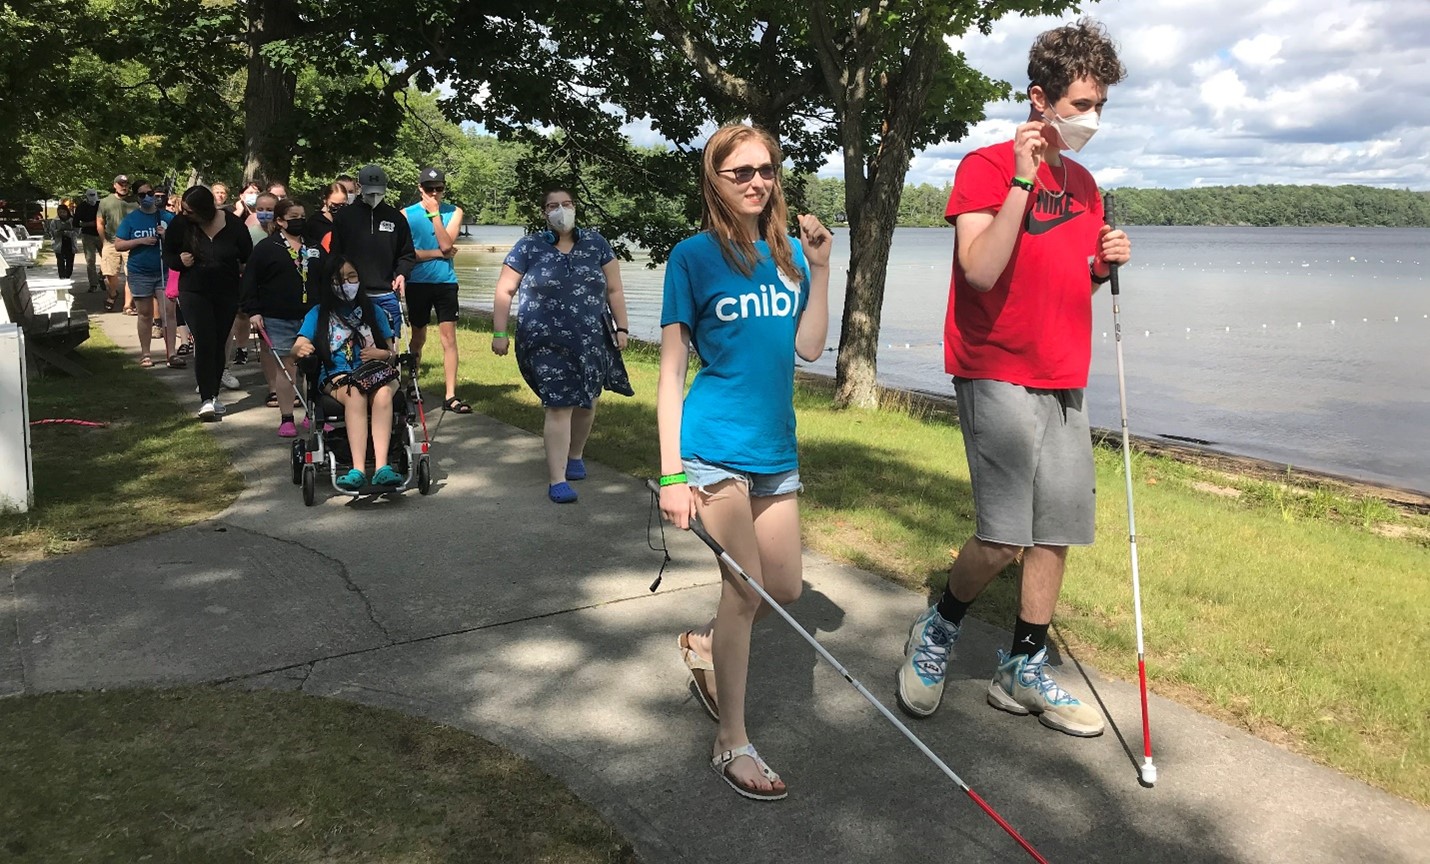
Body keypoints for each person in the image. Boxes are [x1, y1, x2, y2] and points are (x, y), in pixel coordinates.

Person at [894, 18, 1131, 739]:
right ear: (1042, 98)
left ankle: (1022, 668)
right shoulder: (986, 168)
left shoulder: (1087, 185)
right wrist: (1025, 179)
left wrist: (1102, 266)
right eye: (1082, 105)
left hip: (1064, 373)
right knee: (1002, 537)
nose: (1091, 120)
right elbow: (982, 270)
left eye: (1100, 107)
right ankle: (938, 629)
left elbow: (1060, 286)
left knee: (1055, 530)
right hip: (994, 366)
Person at [655, 123, 832, 800]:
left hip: (774, 452)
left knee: (783, 588)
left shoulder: (787, 255)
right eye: (741, 172)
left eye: (766, 170)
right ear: (716, 181)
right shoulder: (692, 257)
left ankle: (705, 644)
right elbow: (671, 373)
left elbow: (810, 348)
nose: (757, 182)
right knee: (748, 589)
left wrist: (820, 267)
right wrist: (672, 472)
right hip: (712, 449)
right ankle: (732, 741)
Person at [492, 186, 634, 503]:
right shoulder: (528, 247)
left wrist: (621, 327)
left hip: (591, 337)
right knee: (558, 404)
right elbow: (505, 290)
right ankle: (557, 480)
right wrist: (499, 332)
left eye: (567, 204)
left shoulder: (597, 244)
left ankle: (575, 456)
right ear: (544, 213)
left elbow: (614, 290)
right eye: (553, 205)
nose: (561, 210)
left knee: (588, 401)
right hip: (544, 339)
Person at [292, 254, 404, 490]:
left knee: (383, 394)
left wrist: (382, 354)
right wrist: (301, 348)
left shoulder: (374, 311)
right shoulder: (318, 314)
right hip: (339, 374)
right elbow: (297, 346)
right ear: (329, 283)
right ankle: (358, 469)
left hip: (376, 372)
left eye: (352, 277)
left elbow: (391, 352)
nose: (347, 283)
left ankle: (383, 467)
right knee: (355, 394)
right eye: (340, 279)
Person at [163, 185, 253, 421]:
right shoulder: (181, 224)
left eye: (190, 211)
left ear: (205, 210)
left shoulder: (233, 224)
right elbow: (168, 255)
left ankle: (214, 394)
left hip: (226, 292)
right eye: (183, 209)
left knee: (219, 340)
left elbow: (246, 256)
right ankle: (206, 399)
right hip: (194, 291)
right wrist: (180, 261)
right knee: (204, 341)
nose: (185, 214)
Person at [241, 198, 315, 437]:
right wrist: (254, 310)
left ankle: (314, 413)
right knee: (287, 368)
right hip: (278, 316)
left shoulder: (313, 247)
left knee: (314, 367)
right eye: (294, 218)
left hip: (311, 316)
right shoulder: (267, 248)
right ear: (281, 221)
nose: (300, 221)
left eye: (302, 216)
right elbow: (250, 280)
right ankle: (286, 418)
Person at [402, 167, 468, 413]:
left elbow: (446, 242)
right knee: (418, 337)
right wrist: (438, 254)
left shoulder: (454, 212)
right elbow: (409, 255)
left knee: (449, 339)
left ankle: (450, 394)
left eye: (438, 189)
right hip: (417, 283)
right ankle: (412, 382)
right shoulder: (406, 215)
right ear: (420, 188)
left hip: (445, 282)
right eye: (429, 189)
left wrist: (435, 215)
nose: (434, 194)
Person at [328, 164, 414, 340]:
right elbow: (335, 254)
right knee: (354, 344)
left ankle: (390, 368)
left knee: (389, 344)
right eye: (370, 192)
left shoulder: (396, 218)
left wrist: (402, 274)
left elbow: (407, 254)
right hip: (352, 293)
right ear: (359, 187)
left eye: (378, 192)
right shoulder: (345, 217)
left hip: (386, 294)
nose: (374, 196)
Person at [113, 179, 178, 367]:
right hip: (140, 272)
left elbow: (181, 241)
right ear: (137, 198)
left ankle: (171, 353)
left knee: (168, 311)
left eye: (151, 193)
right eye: (143, 195)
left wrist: (166, 236)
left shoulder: (166, 217)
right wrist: (139, 242)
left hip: (163, 270)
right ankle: (145, 353)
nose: (148, 197)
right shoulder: (132, 219)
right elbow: (119, 244)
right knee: (145, 313)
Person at [96, 173, 136, 312]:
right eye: (121, 184)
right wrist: (104, 241)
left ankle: (127, 305)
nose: (123, 187)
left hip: (130, 242)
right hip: (111, 242)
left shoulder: (135, 202)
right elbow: (100, 222)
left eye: (126, 185)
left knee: (131, 273)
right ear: (115, 185)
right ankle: (113, 293)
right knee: (109, 273)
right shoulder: (105, 202)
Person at [73, 189, 104, 292]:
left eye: (94, 195)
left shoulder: (101, 205)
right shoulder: (82, 207)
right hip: (88, 235)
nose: (92, 197)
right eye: (90, 195)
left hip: (102, 234)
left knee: (107, 258)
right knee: (90, 260)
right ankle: (93, 284)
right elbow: (76, 223)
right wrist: (89, 224)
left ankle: (101, 276)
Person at [306, 182, 348, 249]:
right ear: (325, 200)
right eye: (335, 204)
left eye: (343, 204)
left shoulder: (351, 221)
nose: (340, 208)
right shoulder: (315, 223)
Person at [48, 203, 77, 280]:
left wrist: (67, 232)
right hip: (59, 243)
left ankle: (68, 275)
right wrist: (57, 232)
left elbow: (76, 232)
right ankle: (62, 276)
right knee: (60, 261)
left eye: (63, 212)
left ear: (67, 212)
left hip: (70, 243)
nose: (62, 214)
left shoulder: (72, 220)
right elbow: (51, 232)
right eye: (60, 212)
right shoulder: (55, 221)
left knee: (69, 261)